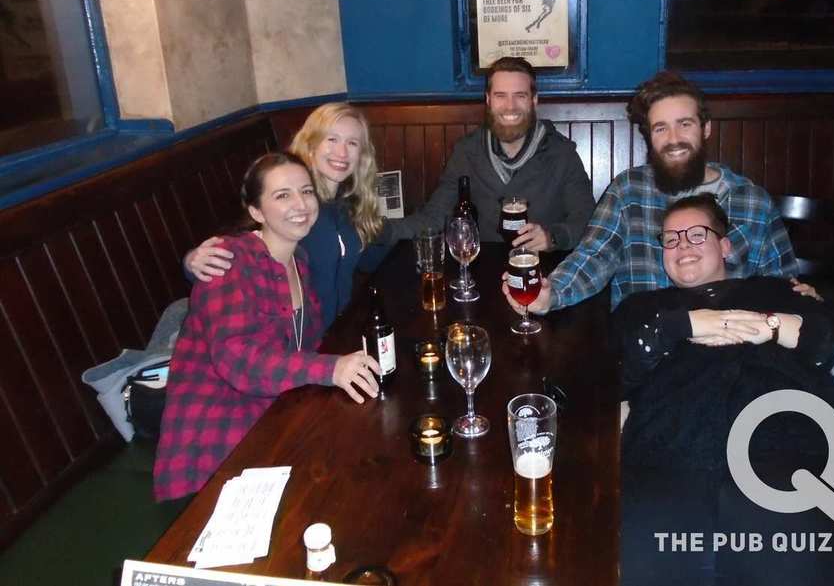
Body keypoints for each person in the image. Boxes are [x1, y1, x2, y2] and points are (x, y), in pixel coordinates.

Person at [614, 194, 834, 585]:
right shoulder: (643, 308)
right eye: (670, 239)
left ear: (725, 245)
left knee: (795, 551)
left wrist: (766, 325)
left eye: (696, 234)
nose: (682, 245)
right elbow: (615, 372)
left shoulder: (779, 290)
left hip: (790, 433)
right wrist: (683, 325)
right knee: (644, 555)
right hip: (669, 445)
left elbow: (832, 342)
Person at [154, 152, 381, 502]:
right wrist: (331, 368)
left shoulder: (298, 261)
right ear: (256, 211)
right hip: (215, 445)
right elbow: (238, 361)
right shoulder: (229, 261)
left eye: (306, 191)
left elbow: (306, 345)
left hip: (276, 412)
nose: (300, 204)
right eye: (282, 195)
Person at [508, 69, 800, 313]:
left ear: (706, 129)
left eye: (684, 125)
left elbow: (782, 288)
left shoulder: (753, 203)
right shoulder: (628, 191)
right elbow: (594, 256)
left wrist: (799, 299)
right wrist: (552, 294)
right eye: (660, 128)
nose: (673, 139)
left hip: (730, 347)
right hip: (646, 344)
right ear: (649, 136)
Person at [185, 103, 389, 329]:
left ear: (362, 155)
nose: (342, 152)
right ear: (311, 144)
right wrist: (193, 261)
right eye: (332, 139)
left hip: (339, 332)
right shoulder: (294, 207)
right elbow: (238, 245)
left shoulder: (350, 203)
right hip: (296, 339)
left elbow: (369, 259)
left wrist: (391, 228)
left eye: (352, 143)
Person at [385, 56, 594, 252]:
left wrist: (553, 238)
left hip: (544, 269)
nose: (510, 106)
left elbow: (586, 217)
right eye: (500, 96)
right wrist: (379, 230)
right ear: (488, 100)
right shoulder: (467, 152)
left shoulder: (562, 153)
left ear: (534, 100)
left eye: (520, 96)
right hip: (484, 267)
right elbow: (434, 217)